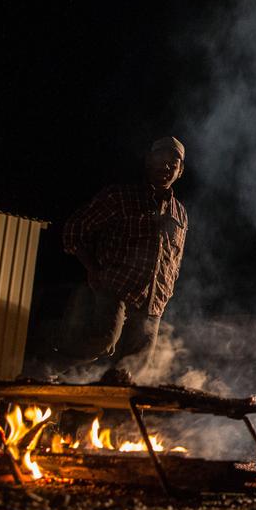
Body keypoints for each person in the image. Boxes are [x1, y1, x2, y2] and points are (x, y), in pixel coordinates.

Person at [53, 136, 188, 378]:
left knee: (134, 367)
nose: (166, 167)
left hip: (153, 301)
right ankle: (47, 368)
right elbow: (74, 229)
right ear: (148, 161)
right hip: (115, 287)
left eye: (173, 162)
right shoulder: (121, 197)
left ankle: (111, 412)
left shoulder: (180, 214)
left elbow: (175, 261)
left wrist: (166, 291)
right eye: (160, 159)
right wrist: (92, 269)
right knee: (104, 340)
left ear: (180, 171)